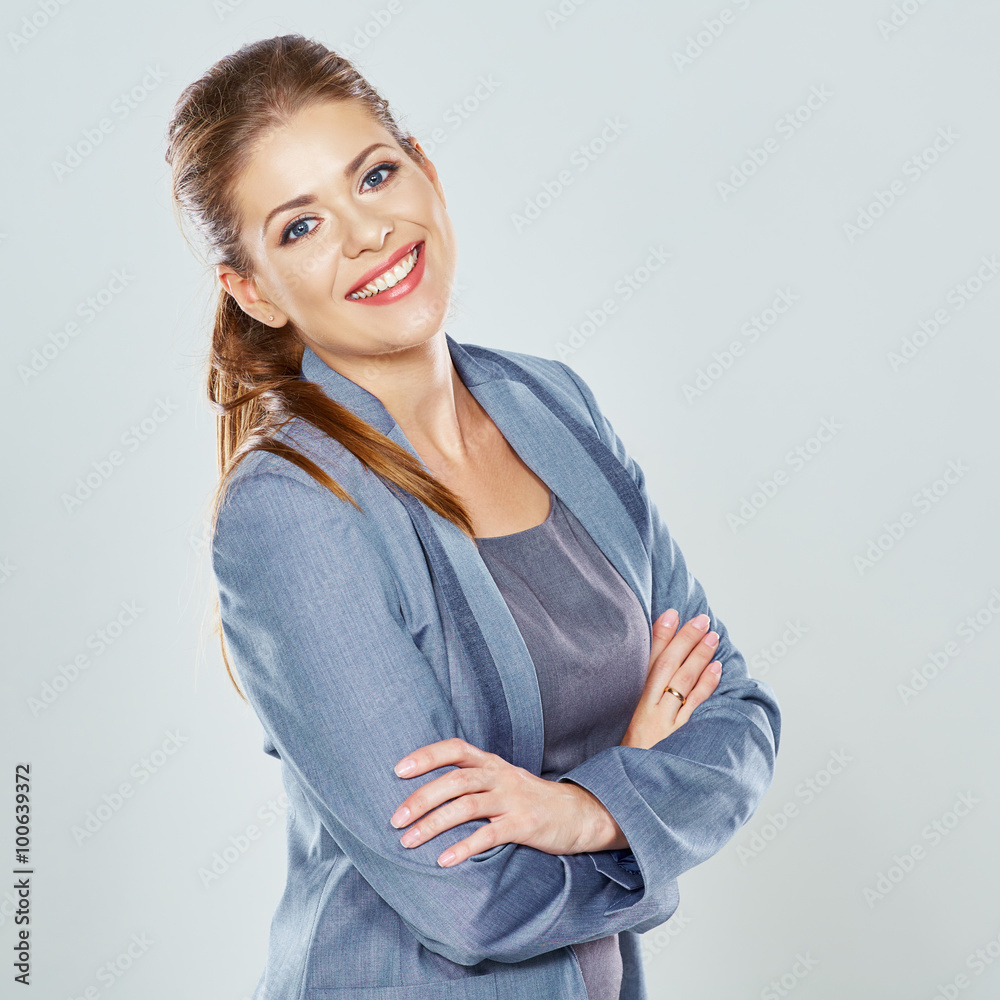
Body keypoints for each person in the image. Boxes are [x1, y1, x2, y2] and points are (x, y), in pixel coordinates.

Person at [165, 33, 781, 1000]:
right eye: (299, 228)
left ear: (427, 171)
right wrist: (643, 805)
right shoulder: (290, 510)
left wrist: (582, 812)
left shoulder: (556, 407)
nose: (367, 233)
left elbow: (739, 718)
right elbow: (472, 903)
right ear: (252, 291)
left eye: (374, 174)